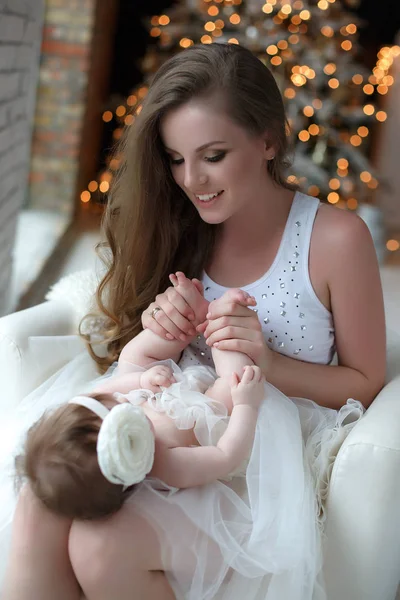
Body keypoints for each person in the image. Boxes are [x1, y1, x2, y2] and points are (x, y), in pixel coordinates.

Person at [1, 42, 385, 600]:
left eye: (213, 155)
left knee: (101, 545)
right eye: (176, 159)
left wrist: (269, 364)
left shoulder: (336, 239)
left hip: (252, 453)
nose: (192, 180)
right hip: (170, 424)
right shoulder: (180, 225)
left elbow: (367, 383)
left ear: (268, 140)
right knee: (42, 499)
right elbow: (146, 356)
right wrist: (160, 325)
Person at [17, 284, 263, 521]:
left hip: (155, 391)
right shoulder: (167, 465)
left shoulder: (95, 409)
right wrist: (245, 406)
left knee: (132, 357)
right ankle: (220, 322)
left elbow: (108, 389)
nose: (119, 405)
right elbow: (226, 456)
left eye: (109, 410)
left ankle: (190, 315)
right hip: (206, 413)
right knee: (233, 384)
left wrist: (142, 380)